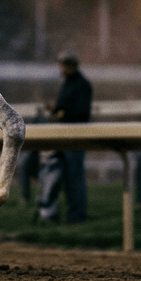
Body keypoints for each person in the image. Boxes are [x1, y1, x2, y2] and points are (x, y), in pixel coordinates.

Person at [37, 52, 92, 224]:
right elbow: (65, 108)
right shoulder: (68, 83)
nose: (61, 69)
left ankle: (77, 216)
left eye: (64, 65)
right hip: (63, 137)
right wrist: (55, 110)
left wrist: (62, 113)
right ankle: (58, 214)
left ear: (72, 66)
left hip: (75, 137)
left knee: (75, 179)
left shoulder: (83, 85)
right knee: (60, 178)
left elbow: (82, 113)